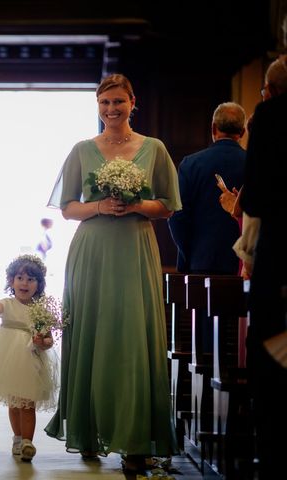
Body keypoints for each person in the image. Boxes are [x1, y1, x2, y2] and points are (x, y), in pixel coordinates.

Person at [44, 73, 181, 473]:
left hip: (134, 248)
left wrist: (138, 205)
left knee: (132, 336)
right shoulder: (83, 150)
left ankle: (135, 439)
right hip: (93, 250)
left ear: (132, 102)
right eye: (105, 103)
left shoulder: (153, 148)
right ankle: (88, 429)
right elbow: (68, 207)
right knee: (92, 331)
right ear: (98, 106)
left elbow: (168, 205)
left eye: (119, 102)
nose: (111, 109)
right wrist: (100, 207)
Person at [238, 54, 287, 478]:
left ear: (269, 91)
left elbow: (253, 199)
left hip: (281, 253)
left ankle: (271, 459)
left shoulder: (270, 118)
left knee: (272, 352)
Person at [0, 254, 58, 462]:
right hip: (7, 357)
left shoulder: (40, 311)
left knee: (28, 403)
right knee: (14, 403)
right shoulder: (7, 304)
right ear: (11, 281)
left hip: (31, 359)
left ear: (39, 284)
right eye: (20, 278)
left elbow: (49, 341)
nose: (24, 283)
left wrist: (41, 342)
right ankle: (17, 437)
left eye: (31, 279)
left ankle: (28, 441)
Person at [167, 102, 246, 275]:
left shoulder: (191, 164)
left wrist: (188, 254)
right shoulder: (255, 165)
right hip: (244, 263)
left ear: (213, 128)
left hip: (200, 261)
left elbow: (177, 216)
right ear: (242, 132)